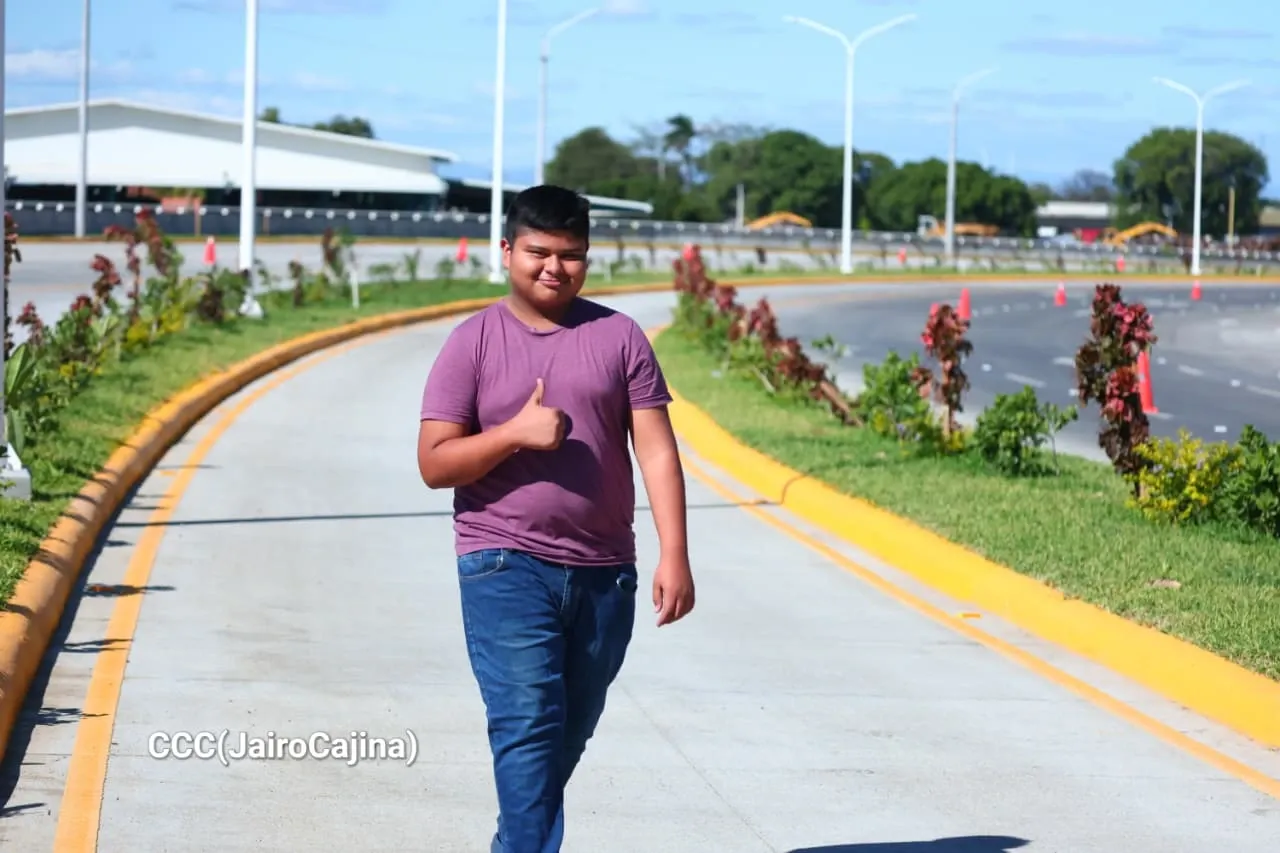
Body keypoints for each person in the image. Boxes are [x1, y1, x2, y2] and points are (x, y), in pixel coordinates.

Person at [416, 184, 696, 853]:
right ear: (507, 250)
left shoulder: (619, 336)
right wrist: (514, 433)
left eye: (571, 255)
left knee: (565, 733)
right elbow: (434, 462)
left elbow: (656, 449)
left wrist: (675, 552)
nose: (554, 267)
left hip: (605, 575)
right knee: (527, 724)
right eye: (538, 251)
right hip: (502, 563)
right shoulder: (472, 342)